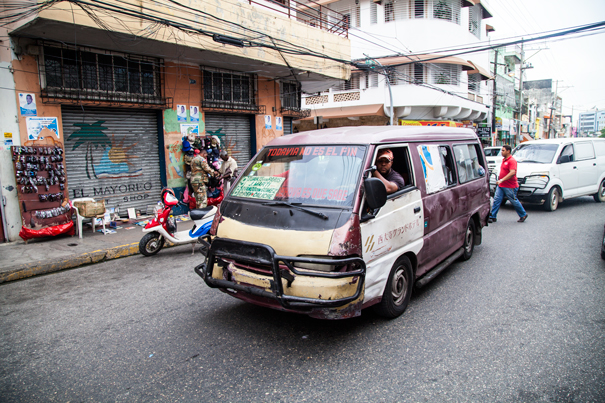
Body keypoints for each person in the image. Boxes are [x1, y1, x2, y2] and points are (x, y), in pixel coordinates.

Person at [489, 145, 528, 223]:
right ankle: (492, 216)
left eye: (503, 150)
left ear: (508, 151)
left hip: (510, 186)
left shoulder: (512, 161)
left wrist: (502, 180)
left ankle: (523, 214)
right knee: (496, 200)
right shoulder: (504, 160)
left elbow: (512, 172)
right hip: (502, 185)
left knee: (513, 201)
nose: (501, 152)